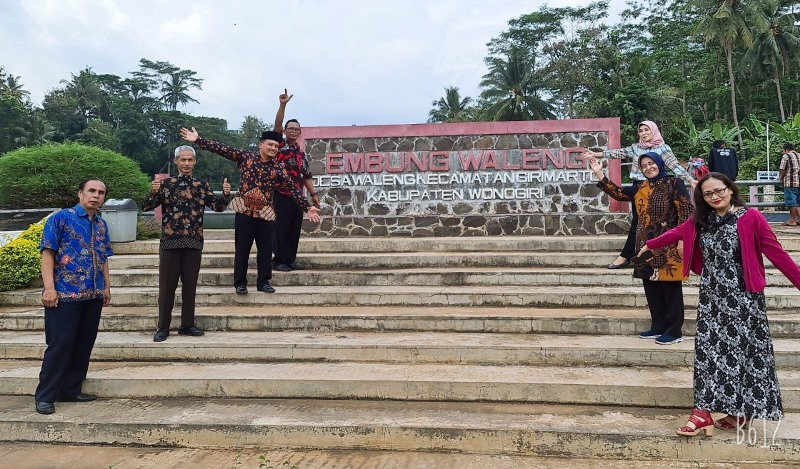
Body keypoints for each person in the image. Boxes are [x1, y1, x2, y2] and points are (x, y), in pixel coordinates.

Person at [639, 172, 800, 437]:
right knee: (707, 354)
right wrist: (651, 244)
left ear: (730, 189)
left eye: (719, 191)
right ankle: (702, 412)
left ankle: (739, 413)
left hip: (744, 301)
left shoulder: (751, 219)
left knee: (744, 357)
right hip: (712, 299)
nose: (715, 197)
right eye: (708, 194)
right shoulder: (703, 220)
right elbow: (680, 230)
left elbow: (778, 255)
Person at [179, 127, 321, 294]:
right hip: (245, 212)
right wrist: (198, 140)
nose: (273, 149)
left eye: (276, 146)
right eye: (270, 145)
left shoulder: (278, 168)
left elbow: (293, 188)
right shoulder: (246, 157)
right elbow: (222, 149)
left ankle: (264, 282)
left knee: (266, 250)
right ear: (261, 145)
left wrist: (307, 206)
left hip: (266, 214)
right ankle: (240, 283)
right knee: (242, 249)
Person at [589, 152, 693, 345]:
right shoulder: (640, 187)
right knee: (651, 287)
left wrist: (683, 240)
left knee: (670, 288)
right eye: (643, 165)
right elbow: (617, 193)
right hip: (643, 246)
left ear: (659, 164)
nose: (648, 167)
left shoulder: (674, 183)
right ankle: (658, 326)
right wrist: (599, 173)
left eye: (651, 163)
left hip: (668, 244)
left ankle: (674, 330)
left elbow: (686, 212)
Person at [34, 179, 113, 415]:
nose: (95, 196)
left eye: (100, 193)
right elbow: (48, 252)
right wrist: (49, 288)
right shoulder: (60, 218)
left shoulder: (101, 224)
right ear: (80, 193)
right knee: (60, 344)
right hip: (64, 293)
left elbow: (104, 257)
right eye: (91, 191)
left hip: (93, 294)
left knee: (84, 344)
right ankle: (46, 395)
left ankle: (71, 389)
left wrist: (107, 287)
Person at [142, 145, 231, 342]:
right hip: (170, 243)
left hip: (193, 242)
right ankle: (163, 326)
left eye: (190, 160)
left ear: (195, 162)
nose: (186, 163)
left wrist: (226, 195)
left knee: (190, 286)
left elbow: (217, 207)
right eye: (183, 160)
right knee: (167, 287)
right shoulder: (166, 184)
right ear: (176, 162)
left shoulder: (201, 185)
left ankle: (187, 324)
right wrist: (152, 192)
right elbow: (146, 205)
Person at [581, 121, 695, 269]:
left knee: (661, 221)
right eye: (641, 131)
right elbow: (618, 153)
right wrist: (596, 156)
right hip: (639, 188)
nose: (644, 133)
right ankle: (635, 256)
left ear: (654, 130)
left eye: (647, 130)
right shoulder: (637, 147)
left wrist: (690, 179)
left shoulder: (663, 149)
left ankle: (632, 256)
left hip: (660, 187)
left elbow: (675, 166)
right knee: (640, 222)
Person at [272, 89, 320, 271]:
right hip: (280, 194)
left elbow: (306, 175)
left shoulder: (300, 153)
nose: (294, 131)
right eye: (290, 128)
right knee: (281, 228)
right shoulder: (279, 145)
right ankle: (279, 261)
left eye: (297, 129)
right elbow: (276, 124)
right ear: (285, 131)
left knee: (294, 229)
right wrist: (282, 104)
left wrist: (313, 195)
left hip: (298, 197)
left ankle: (290, 259)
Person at [779, 143, 800, 226]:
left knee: (792, 203)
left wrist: (780, 178)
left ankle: (792, 220)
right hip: (799, 182)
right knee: (798, 202)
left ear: (786, 149)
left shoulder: (786, 156)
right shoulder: (799, 155)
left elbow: (783, 169)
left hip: (790, 182)